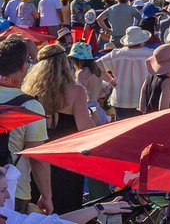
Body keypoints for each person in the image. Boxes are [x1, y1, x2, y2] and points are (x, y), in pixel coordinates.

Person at [22, 43, 94, 214]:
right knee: (68, 213)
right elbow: (86, 131)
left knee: (38, 215)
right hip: (66, 161)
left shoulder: (29, 91)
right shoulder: (76, 92)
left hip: (37, 162)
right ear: (65, 64)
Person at [0, 36, 52, 215]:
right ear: (23, 67)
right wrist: (47, 195)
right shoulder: (30, 106)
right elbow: (36, 158)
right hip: (13, 191)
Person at [0, 177, 130, 223]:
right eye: (2, 190)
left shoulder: (6, 215)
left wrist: (99, 208)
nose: (8, 196)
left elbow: (53, 222)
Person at [96, 26, 154, 120]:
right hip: (143, 99)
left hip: (121, 99)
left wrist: (111, 81)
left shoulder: (116, 54)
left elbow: (96, 66)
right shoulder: (150, 54)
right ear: (142, 40)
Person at [139, 44, 170, 114]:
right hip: (160, 121)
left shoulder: (149, 78)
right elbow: (163, 109)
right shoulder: (168, 81)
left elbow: (141, 107)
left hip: (148, 118)